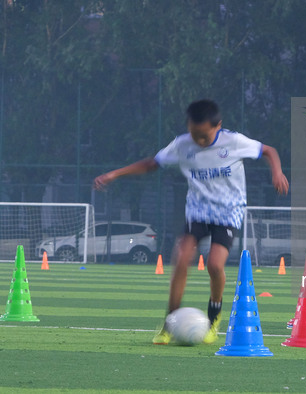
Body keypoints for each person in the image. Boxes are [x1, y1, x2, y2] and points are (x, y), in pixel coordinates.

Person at [94, 99, 289, 345]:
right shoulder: (181, 144)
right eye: (194, 134)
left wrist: (277, 172)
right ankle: (169, 323)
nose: (199, 141)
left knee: (215, 266)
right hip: (197, 212)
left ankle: (214, 317)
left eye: (204, 136)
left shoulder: (234, 142)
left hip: (228, 213)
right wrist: (114, 174)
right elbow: (152, 164)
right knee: (181, 257)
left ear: (218, 126)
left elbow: (268, 150)